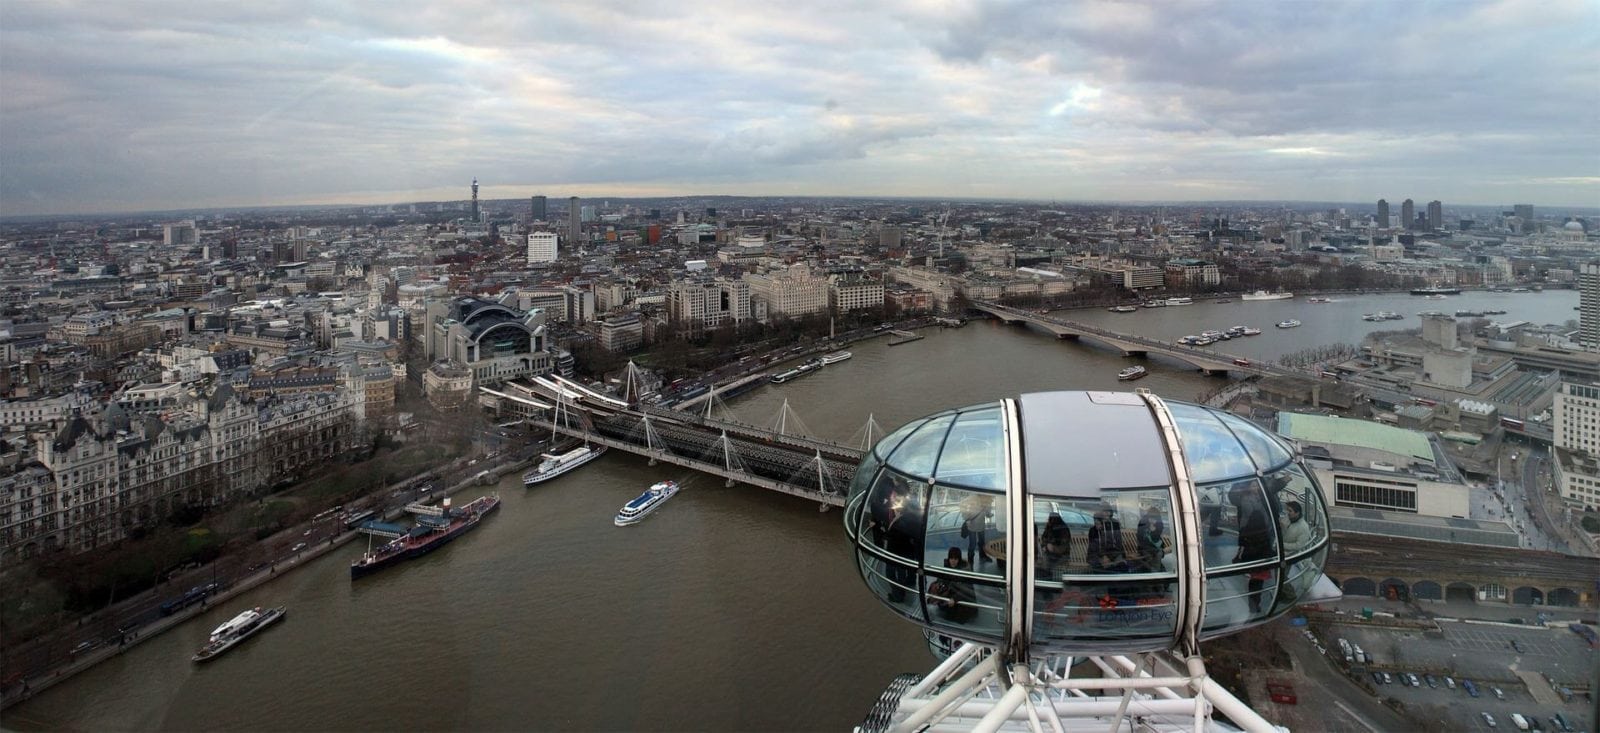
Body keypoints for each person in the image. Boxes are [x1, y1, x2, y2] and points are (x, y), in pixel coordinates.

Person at [1231, 487, 1275, 613]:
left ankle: (1252, 602)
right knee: (1258, 584)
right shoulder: (1265, 535)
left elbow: (1242, 544)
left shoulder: (1246, 531)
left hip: (1250, 561)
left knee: (1253, 583)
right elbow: (1268, 550)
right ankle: (1255, 604)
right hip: (1261, 565)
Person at [929, 547, 976, 623]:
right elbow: (941, 578)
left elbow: (967, 589)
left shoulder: (965, 572)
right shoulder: (947, 567)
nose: (953, 561)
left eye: (955, 559)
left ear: (959, 559)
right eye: (951, 558)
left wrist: (955, 599)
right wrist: (937, 585)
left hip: (962, 601)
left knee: (955, 618)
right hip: (951, 596)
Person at [1086, 504, 1127, 573]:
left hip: (1113, 553)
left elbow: (1118, 542)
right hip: (1097, 555)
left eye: (1109, 511)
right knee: (1103, 568)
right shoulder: (1093, 530)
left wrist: (1121, 556)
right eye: (1104, 511)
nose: (1107, 514)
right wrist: (1103, 556)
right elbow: (1094, 547)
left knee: (1122, 566)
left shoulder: (1114, 525)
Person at [960, 494, 994, 567]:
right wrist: (966, 515)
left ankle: (982, 556)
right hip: (972, 525)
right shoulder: (973, 497)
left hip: (981, 525)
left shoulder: (988, 499)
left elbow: (987, 511)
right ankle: (970, 560)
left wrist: (989, 514)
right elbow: (962, 503)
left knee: (982, 542)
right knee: (973, 544)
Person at [1037, 513, 1072, 579]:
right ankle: (1045, 578)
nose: (1048, 520)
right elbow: (1043, 538)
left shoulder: (1063, 529)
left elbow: (1063, 548)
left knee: (1049, 564)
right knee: (1044, 560)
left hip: (1061, 555)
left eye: (1050, 519)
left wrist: (1053, 548)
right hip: (1049, 553)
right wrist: (1045, 546)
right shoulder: (1049, 527)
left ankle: (1048, 578)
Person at [1135, 505, 1166, 572]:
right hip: (1144, 547)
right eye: (1151, 518)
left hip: (1155, 546)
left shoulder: (1159, 524)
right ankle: (1155, 570)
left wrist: (1153, 531)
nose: (1152, 520)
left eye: (1155, 518)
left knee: (1158, 554)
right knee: (1150, 556)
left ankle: (1155, 570)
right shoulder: (1142, 522)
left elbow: (1156, 539)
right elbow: (1140, 538)